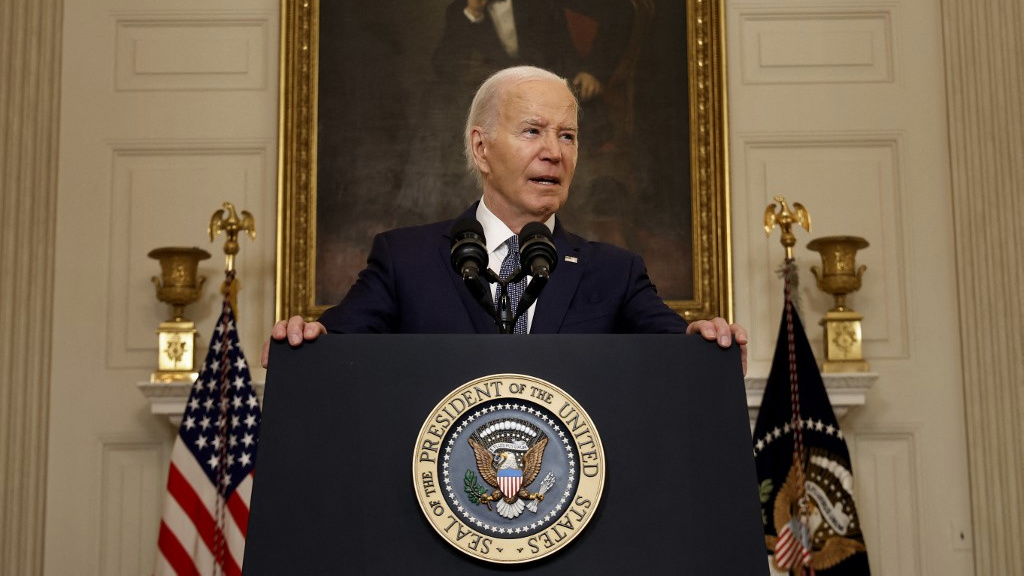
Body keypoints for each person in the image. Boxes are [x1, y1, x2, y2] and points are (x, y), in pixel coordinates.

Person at [262, 66, 746, 371]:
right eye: (533, 131)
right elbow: (340, 341)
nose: (554, 153)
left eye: (568, 136)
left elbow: (672, 343)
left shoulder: (614, 272)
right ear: (481, 148)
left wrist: (700, 341)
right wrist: (310, 341)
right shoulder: (404, 259)